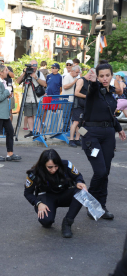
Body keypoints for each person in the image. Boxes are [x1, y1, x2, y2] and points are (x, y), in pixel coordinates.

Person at [80, 61, 126, 220]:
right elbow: (92, 89)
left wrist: (119, 129)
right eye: (101, 76)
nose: (105, 78)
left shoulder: (110, 93)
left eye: (107, 75)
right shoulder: (94, 91)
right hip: (91, 135)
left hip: (108, 135)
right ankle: (90, 203)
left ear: (112, 76)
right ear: (97, 77)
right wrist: (92, 82)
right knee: (99, 171)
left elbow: (110, 114)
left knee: (105, 172)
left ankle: (102, 206)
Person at [24, 149, 87, 238]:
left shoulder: (66, 164)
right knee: (46, 221)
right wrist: (38, 203)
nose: (53, 169)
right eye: (50, 167)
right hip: (47, 196)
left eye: (56, 166)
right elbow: (27, 193)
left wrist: (80, 182)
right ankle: (48, 213)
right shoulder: (34, 173)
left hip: (64, 193)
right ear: (43, 165)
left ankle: (67, 223)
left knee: (82, 192)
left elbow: (78, 176)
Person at [0, 65, 21, 162]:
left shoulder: (2, 82)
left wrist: (7, 93)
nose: (8, 72)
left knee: (10, 131)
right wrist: (7, 91)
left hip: (3, 113)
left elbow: (2, 96)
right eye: (6, 70)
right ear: (0, 72)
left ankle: (10, 154)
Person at [16, 60, 47, 138]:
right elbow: (18, 81)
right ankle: (31, 131)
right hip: (27, 98)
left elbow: (44, 84)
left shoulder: (39, 74)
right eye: (32, 65)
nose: (33, 67)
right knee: (29, 115)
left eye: (35, 65)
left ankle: (38, 132)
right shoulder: (26, 73)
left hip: (37, 98)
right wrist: (24, 73)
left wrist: (35, 77)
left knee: (37, 115)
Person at [71, 69, 94, 148]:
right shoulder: (81, 80)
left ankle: (78, 139)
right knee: (76, 122)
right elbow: (76, 93)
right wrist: (87, 97)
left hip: (85, 105)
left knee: (82, 123)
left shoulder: (90, 82)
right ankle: (71, 139)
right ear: (90, 74)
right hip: (78, 105)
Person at [62, 65, 81, 142]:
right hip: (67, 100)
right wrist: (74, 82)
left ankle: (72, 133)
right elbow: (65, 87)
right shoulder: (67, 77)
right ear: (72, 71)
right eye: (76, 72)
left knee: (74, 118)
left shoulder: (76, 77)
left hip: (73, 100)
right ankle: (65, 131)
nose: (77, 74)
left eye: (78, 72)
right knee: (66, 116)